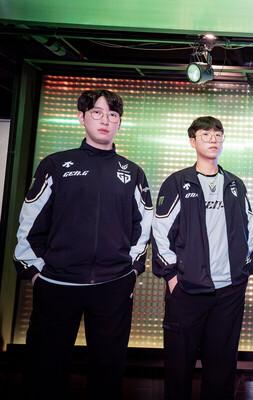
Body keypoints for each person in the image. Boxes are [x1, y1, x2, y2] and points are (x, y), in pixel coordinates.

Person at [14, 89, 153, 399]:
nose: (105, 120)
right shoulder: (56, 165)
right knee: (44, 370)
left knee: (108, 371)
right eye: (97, 113)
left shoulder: (132, 172)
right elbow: (30, 222)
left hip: (113, 285)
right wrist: (36, 273)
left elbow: (143, 225)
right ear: (82, 117)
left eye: (113, 115)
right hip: (57, 284)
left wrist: (131, 271)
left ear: (119, 122)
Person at [152, 116, 253, 400]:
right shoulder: (177, 182)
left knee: (222, 368)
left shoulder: (235, 184)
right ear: (193, 141)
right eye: (206, 134)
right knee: (179, 367)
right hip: (187, 290)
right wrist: (172, 277)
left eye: (218, 134)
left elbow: (247, 229)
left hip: (229, 292)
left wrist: (243, 272)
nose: (213, 139)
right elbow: (160, 231)